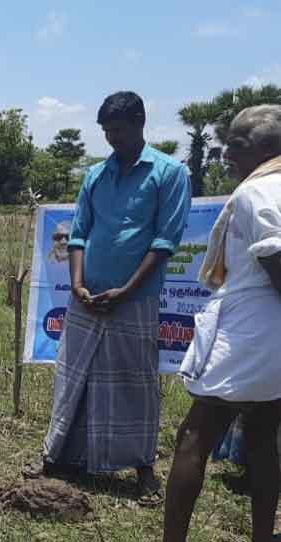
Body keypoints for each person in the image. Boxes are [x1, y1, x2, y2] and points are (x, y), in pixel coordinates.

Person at [30, 91, 192, 506]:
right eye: (106, 131)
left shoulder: (169, 173)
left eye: (117, 130)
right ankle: (61, 455)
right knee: (75, 376)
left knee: (133, 382)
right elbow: (78, 232)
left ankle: (143, 470)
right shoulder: (96, 175)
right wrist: (78, 286)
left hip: (134, 299)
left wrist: (126, 291)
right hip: (86, 298)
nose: (111, 139)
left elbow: (164, 241)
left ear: (140, 123)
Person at [163, 105, 281, 542]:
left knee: (194, 435)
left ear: (268, 147)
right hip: (272, 339)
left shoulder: (258, 192)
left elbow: (275, 257)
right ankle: (263, 536)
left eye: (238, 144)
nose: (226, 153)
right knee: (263, 435)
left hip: (251, 332)